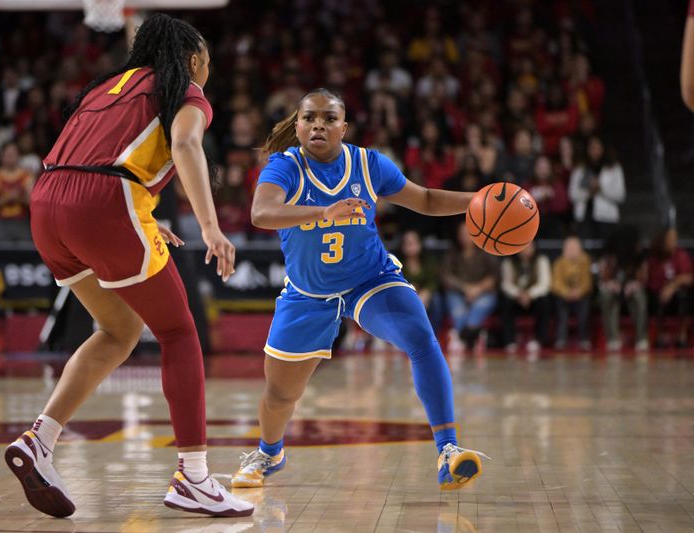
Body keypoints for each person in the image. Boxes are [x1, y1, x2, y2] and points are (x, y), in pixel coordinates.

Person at [3, 14, 252, 519]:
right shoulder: (184, 88)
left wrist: (133, 213)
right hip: (103, 204)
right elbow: (184, 145)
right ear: (194, 59)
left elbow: (95, 158)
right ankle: (195, 478)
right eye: (206, 59)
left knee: (118, 330)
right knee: (179, 333)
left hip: (48, 204)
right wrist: (209, 225)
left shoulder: (104, 87)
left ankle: (40, 440)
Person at [232, 89, 488, 493]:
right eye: (310, 117)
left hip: (369, 279)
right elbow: (261, 213)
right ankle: (269, 452)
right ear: (297, 126)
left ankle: (449, 450)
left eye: (329, 118)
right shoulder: (283, 167)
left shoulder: (368, 164)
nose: (319, 124)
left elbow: (423, 198)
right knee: (281, 394)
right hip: (309, 293)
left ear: (344, 128)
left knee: (422, 338)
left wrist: (479, 202)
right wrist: (323, 212)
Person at [442, 222, 500, 352]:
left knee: (479, 307)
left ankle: (466, 334)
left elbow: (494, 276)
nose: (464, 236)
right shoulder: (453, 254)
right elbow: (446, 277)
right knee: (458, 309)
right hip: (458, 292)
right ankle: (471, 337)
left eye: (467, 233)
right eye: (461, 233)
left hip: (483, 292)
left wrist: (477, 289)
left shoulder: (486, 252)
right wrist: (466, 288)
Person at [598, 227, 648, 352]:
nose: (638, 244)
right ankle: (613, 339)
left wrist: (635, 284)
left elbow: (644, 278)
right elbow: (602, 278)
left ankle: (641, 338)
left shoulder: (639, 255)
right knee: (606, 296)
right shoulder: (609, 255)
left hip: (631, 289)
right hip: (615, 289)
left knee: (639, 297)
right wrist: (609, 283)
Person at [568, 135, 625, 241]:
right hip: (584, 218)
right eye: (592, 148)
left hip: (607, 218)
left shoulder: (614, 168)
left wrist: (601, 188)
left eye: (598, 148)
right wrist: (589, 191)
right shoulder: (580, 169)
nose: (595, 151)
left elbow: (620, 195)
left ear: (603, 149)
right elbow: (572, 195)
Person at [499, 241, 552, 353]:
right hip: (516, 299)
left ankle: (539, 340)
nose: (526, 250)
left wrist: (529, 294)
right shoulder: (509, 262)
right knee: (505, 302)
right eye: (523, 246)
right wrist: (519, 294)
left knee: (545, 302)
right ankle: (510, 341)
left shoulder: (541, 260)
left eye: (529, 246)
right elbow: (506, 284)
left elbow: (545, 284)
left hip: (534, 299)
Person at [646, 228, 692, 349]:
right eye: (670, 239)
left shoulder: (681, 255)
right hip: (659, 295)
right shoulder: (654, 259)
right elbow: (652, 282)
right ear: (662, 241)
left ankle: (681, 336)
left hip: (680, 295)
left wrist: (673, 285)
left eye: (675, 239)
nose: (674, 242)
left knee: (684, 296)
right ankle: (661, 336)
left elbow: (689, 278)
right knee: (656, 297)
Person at [0, 142, 34, 242]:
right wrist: (8, 198)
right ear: (1, 157)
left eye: (13, 154)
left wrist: (18, 198)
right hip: (1, 221)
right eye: (7, 155)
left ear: (18, 156)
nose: (10, 157)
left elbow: (33, 201)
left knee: (25, 252)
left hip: (22, 220)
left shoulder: (26, 176)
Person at [551, 235, 593, 350]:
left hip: (581, 295)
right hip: (564, 296)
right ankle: (561, 339)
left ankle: (584, 339)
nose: (572, 251)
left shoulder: (585, 260)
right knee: (561, 309)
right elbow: (556, 283)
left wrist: (578, 292)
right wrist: (566, 293)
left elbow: (587, 282)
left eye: (575, 248)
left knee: (585, 308)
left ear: (580, 249)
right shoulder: (559, 263)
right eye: (569, 248)